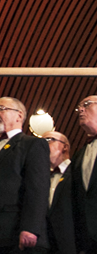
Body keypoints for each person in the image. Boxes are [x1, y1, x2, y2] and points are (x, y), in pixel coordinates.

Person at [0, 97, 49, 253]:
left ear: (19, 116)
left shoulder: (32, 144)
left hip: (15, 233)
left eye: (1, 109)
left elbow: (37, 188)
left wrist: (30, 228)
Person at [42, 131, 74, 254]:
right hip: (47, 246)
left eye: (49, 140)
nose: (43, 145)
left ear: (64, 146)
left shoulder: (76, 172)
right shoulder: (40, 178)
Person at [73, 95, 97, 252]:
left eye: (87, 104)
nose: (81, 109)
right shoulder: (79, 155)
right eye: (79, 107)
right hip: (88, 240)